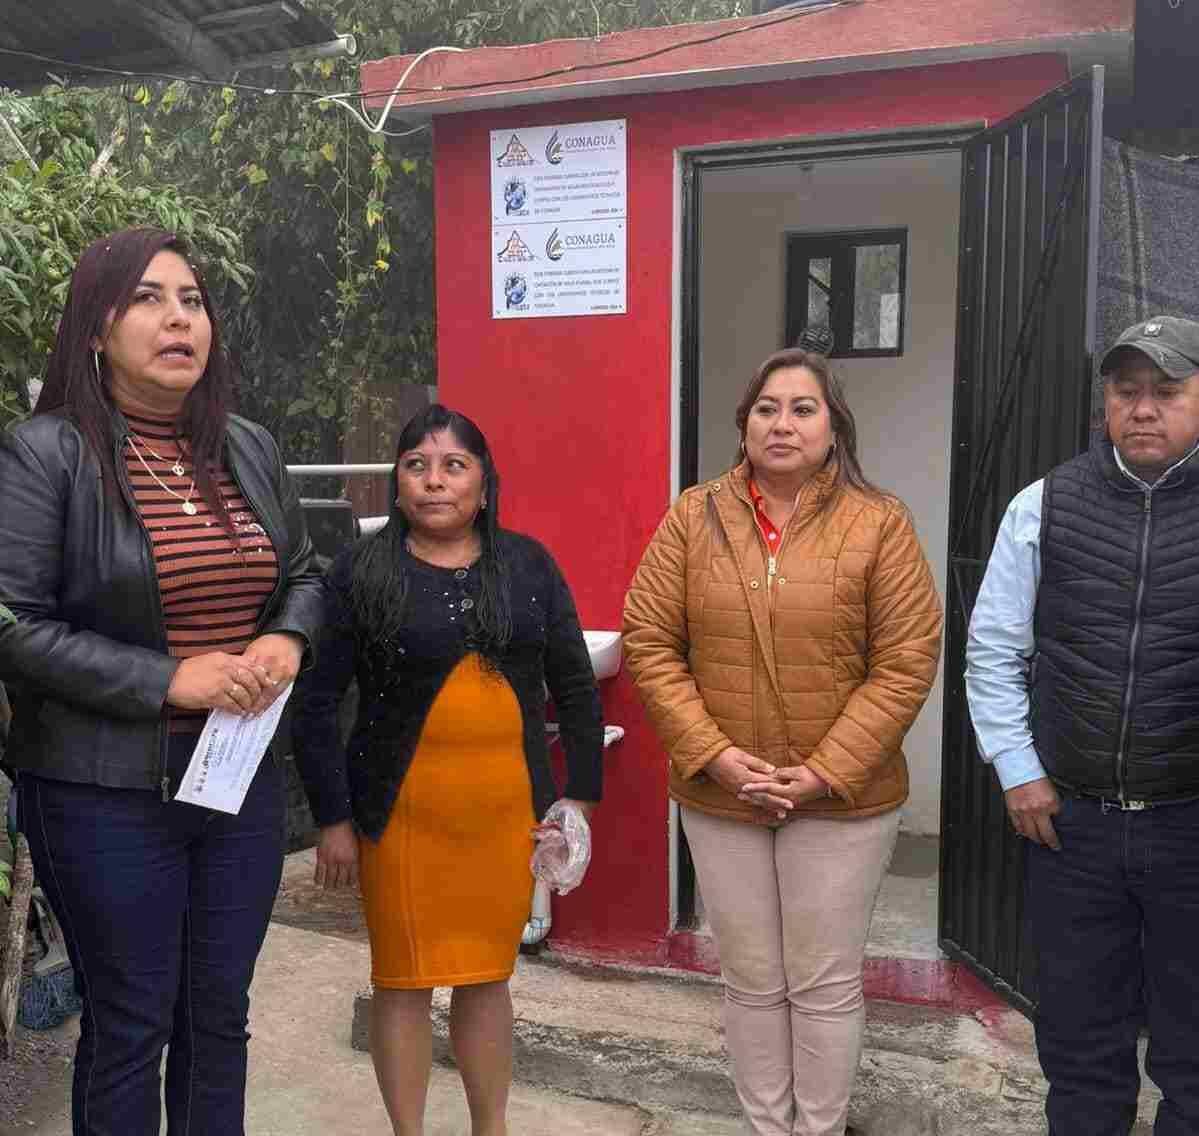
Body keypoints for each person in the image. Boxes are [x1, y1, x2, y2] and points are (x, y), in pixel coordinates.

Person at [0, 226, 323, 1136]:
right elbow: (13, 625)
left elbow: (303, 571)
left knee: (217, 1019)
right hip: (103, 794)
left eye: (190, 299)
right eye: (147, 298)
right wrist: (168, 679)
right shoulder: (45, 455)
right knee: (132, 1024)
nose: (177, 318)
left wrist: (288, 640)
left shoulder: (247, 449)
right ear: (95, 330)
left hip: (236, 784)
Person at [623, 347, 942, 1136]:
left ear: (834, 427)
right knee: (752, 981)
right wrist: (718, 757)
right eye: (766, 408)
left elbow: (905, 661)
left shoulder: (879, 523)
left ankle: (819, 1129)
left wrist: (823, 770)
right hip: (719, 794)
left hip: (842, 801)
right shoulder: (693, 516)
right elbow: (649, 640)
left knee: (824, 983)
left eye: (803, 408)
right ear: (744, 426)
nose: (782, 423)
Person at [292, 403, 603, 1136]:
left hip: (505, 820)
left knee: (487, 980)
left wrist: (576, 803)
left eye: (454, 466)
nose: (435, 482)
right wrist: (332, 818)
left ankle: (488, 1128)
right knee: (401, 984)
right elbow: (314, 702)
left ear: (484, 484)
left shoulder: (528, 565)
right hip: (398, 818)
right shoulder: (360, 572)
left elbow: (574, 687)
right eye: (416, 466)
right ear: (397, 484)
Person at [966, 315, 1199, 1136]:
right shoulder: (1044, 505)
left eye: (1165, 392)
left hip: (1188, 824)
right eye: (1125, 392)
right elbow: (991, 650)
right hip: (1074, 829)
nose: (1142, 408)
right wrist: (1015, 768)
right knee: (1079, 1046)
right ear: (1103, 403)